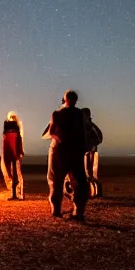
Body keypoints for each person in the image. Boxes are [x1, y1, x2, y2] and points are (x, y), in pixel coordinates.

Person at [44, 90, 88, 221]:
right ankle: (78, 211)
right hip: (75, 151)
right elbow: (83, 133)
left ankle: (56, 209)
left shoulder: (57, 114)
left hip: (60, 151)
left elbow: (51, 132)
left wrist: (60, 140)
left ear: (65, 99)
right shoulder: (80, 114)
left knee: (56, 180)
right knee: (78, 182)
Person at [1, 111, 24, 201]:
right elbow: (5, 139)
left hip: (15, 151)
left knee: (18, 173)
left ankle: (20, 193)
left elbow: (19, 139)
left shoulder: (17, 127)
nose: (12, 119)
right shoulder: (6, 127)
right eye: (10, 117)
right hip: (9, 150)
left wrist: (20, 151)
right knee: (10, 171)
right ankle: (13, 192)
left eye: (13, 117)